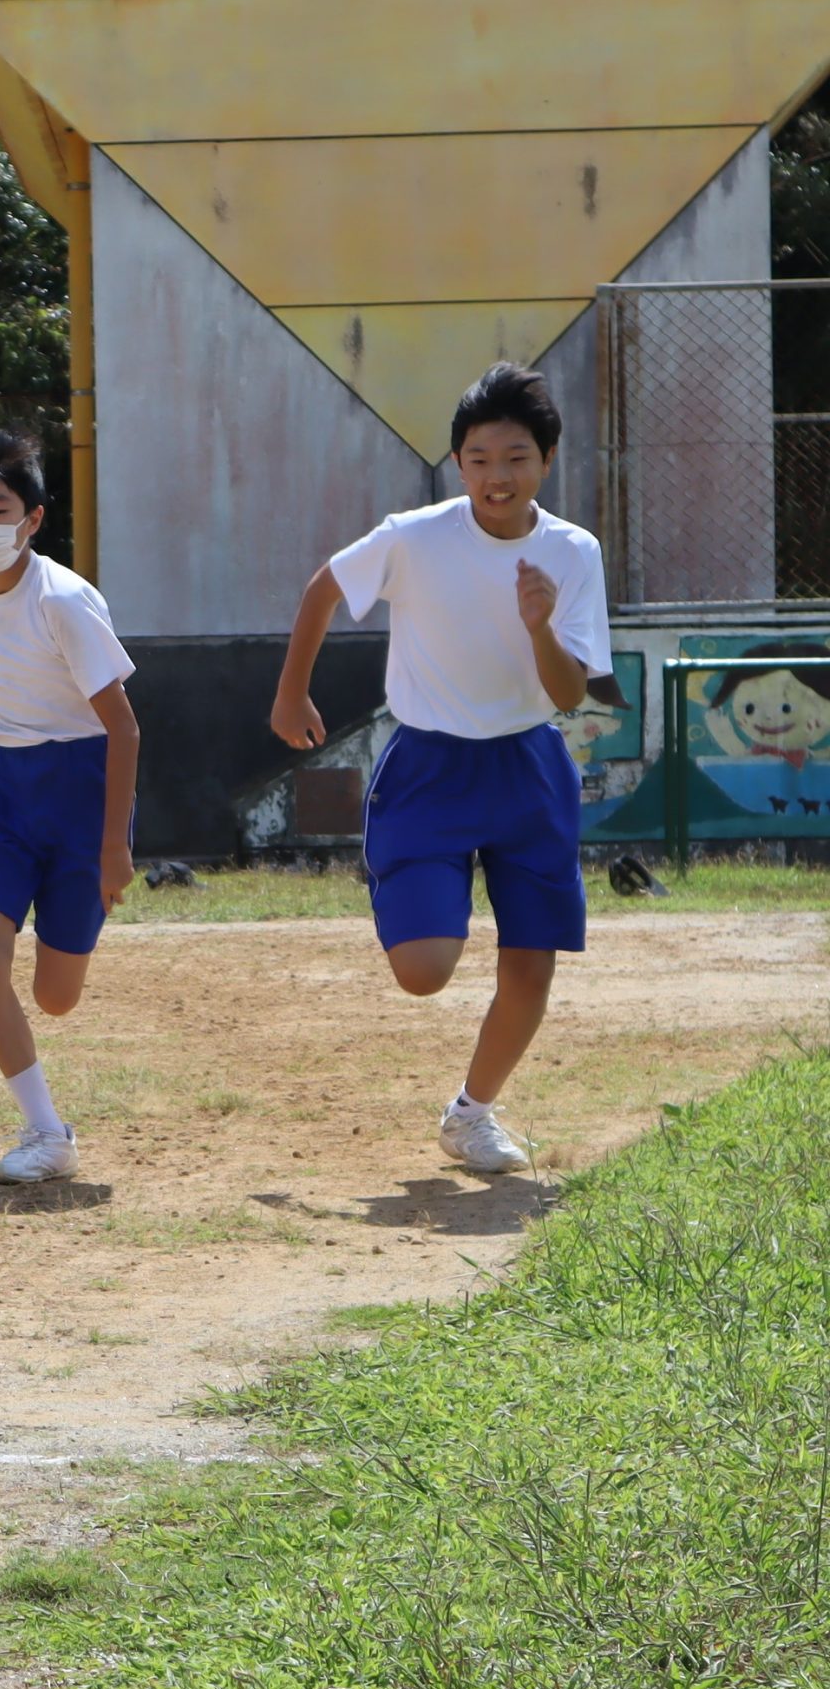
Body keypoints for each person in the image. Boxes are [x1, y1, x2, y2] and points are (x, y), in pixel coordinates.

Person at [271, 361, 611, 1173]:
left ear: (548, 461)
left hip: (530, 766)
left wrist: (539, 626)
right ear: (459, 463)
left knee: (531, 964)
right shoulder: (414, 535)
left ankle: (473, 1113)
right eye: (482, 457)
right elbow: (325, 587)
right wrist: (289, 694)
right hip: (428, 765)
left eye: (517, 456)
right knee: (423, 971)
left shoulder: (573, 552)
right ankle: (404, 880)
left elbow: (570, 692)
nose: (499, 475)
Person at [0, 429, 140, 1185]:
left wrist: (115, 846)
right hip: (7, 791)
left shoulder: (64, 600)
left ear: (32, 520)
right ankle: (48, 1133)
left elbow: (124, 726)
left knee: (57, 996)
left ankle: (79, 915)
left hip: (83, 792)